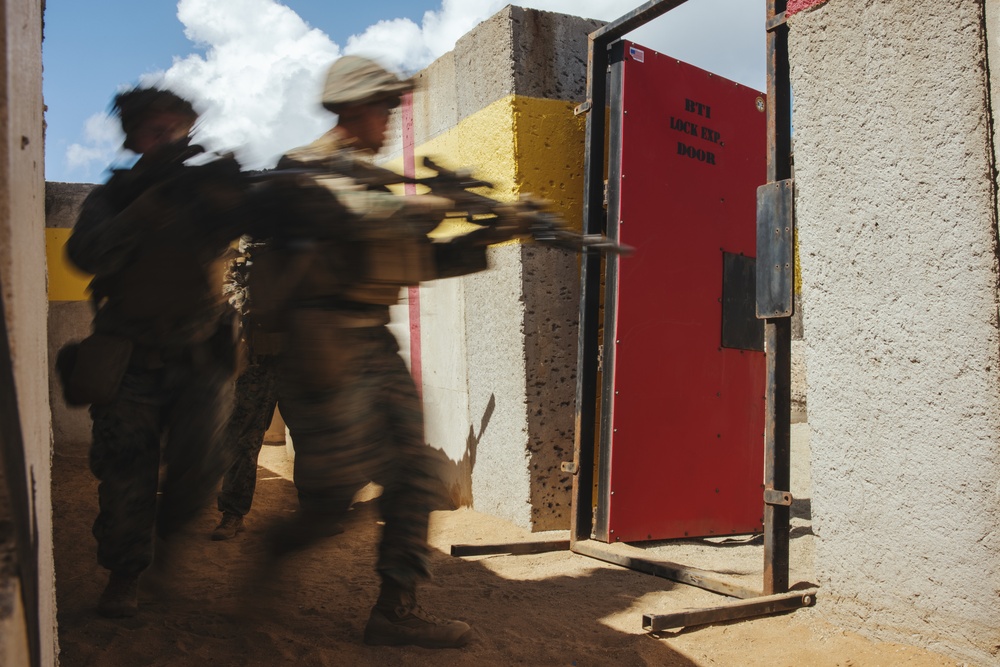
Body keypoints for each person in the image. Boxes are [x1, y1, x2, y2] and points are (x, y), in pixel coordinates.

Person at [251, 55, 529, 649]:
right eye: (385, 105)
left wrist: (492, 233)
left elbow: (417, 260)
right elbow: (356, 218)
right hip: (322, 348)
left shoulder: (376, 183)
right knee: (327, 505)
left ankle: (394, 611)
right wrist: (442, 204)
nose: (392, 119)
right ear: (353, 106)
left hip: (373, 346)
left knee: (414, 476)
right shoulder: (302, 171)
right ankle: (269, 558)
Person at [65, 87, 248, 618]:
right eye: (153, 129)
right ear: (134, 137)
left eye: (175, 127)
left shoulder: (205, 188)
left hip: (199, 359)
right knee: (126, 478)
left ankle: (170, 539)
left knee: (201, 471)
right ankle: (124, 575)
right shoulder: (116, 196)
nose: (166, 138)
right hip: (130, 364)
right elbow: (84, 255)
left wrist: (234, 195)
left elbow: (261, 221)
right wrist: (146, 210)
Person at [211, 240, 281, 541]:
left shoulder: (300, 254)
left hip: (300, 360)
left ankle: (317, 509)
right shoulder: (234, 266)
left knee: (314, 433)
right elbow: (229, 304)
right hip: (256, 364)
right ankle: (233, 513)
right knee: (243, 439)